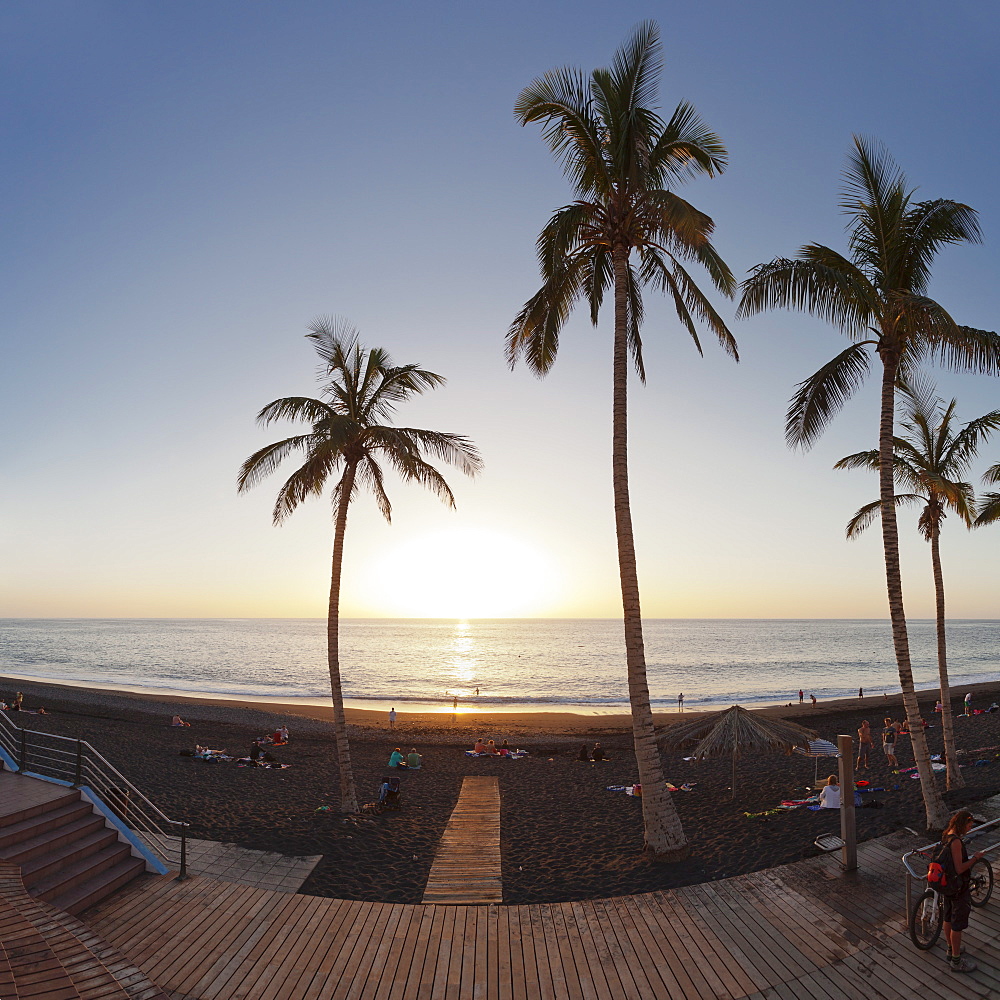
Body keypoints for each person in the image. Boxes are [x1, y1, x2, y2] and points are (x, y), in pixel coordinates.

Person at [937, 808, 985, 973]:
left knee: (948, 917)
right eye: (969, 826)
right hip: (958, 887)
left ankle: (951, 949)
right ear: (963, 823)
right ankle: (956, 962)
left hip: (947, 886)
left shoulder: (946, 836)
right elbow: (959, 868)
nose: (970, 829)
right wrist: (975, 858)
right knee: (957, 925)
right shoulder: (956, 842)